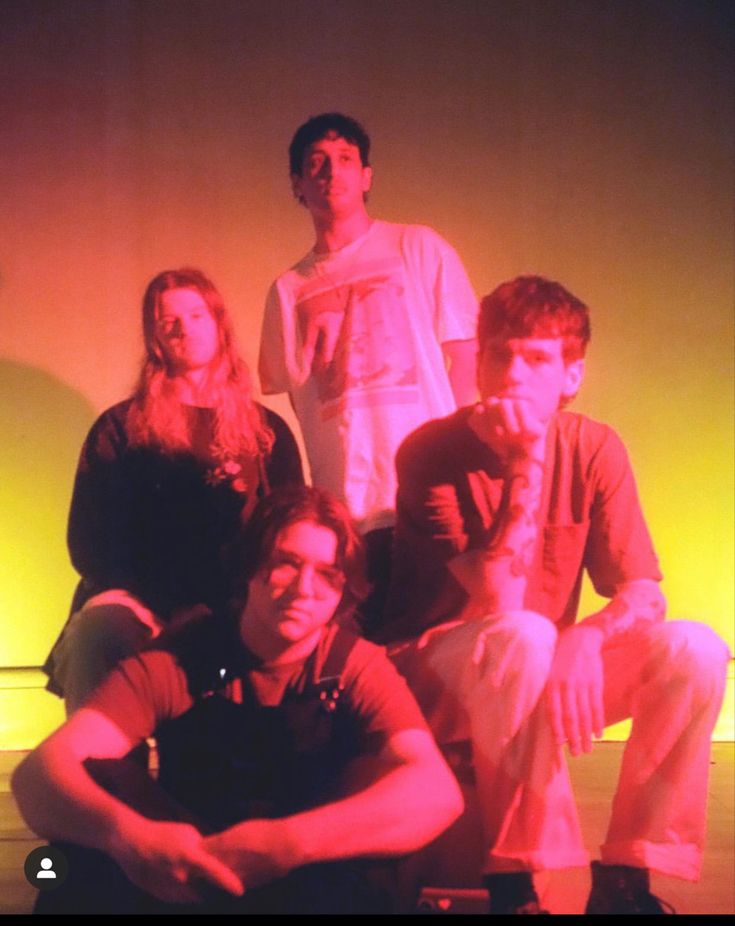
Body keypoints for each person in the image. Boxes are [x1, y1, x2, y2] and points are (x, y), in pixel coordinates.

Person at [375, 275, 730, 914]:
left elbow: (644, 592)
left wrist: (588, 637)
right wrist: (525, 462)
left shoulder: (596, 446)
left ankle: (629, 877)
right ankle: (522, 884)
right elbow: (497, 600)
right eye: (499, 354)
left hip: (528, 662)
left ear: (571, 375)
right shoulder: (428, 451)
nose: (513, 373)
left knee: (695, 648)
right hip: (429, 675)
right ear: (479, 363)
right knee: (525, 634)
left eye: (536, 358)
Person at [13, 486, 463, 914]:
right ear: (250, 566)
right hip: (185, 869)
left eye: (327, 574)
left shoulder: (354, 665)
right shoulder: (182, 655)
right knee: (94, 797)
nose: (305, 588)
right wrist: (130, 839)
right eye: (286, 563)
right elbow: (39, 775)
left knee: (392, 799)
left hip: (306, 878)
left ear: (343, 590)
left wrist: (287, 844)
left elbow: (437, 792)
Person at [44, 268, 304, 712]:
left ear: (219, 324)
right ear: (155, 338)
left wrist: (225, 607)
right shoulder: (119, 427)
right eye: (170, 322)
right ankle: (97, 771)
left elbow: (290, 535)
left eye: (197, 315)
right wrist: (166, 607)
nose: (185, 329)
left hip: (234, 606)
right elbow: (89, 544)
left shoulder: (267, 432)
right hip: (137, 604)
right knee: (99, 629)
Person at [259, 112, 478, 628]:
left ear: (367, 176)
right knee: (370, 643)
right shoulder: (288, 289)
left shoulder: (416, 246)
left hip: (427, 488)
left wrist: (456, 462)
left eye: (344, 160)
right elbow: (295, 393)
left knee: (438, 636)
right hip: (348, 503)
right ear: (297, 183)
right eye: (315, 164)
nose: (331, 173)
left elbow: (464, 355)